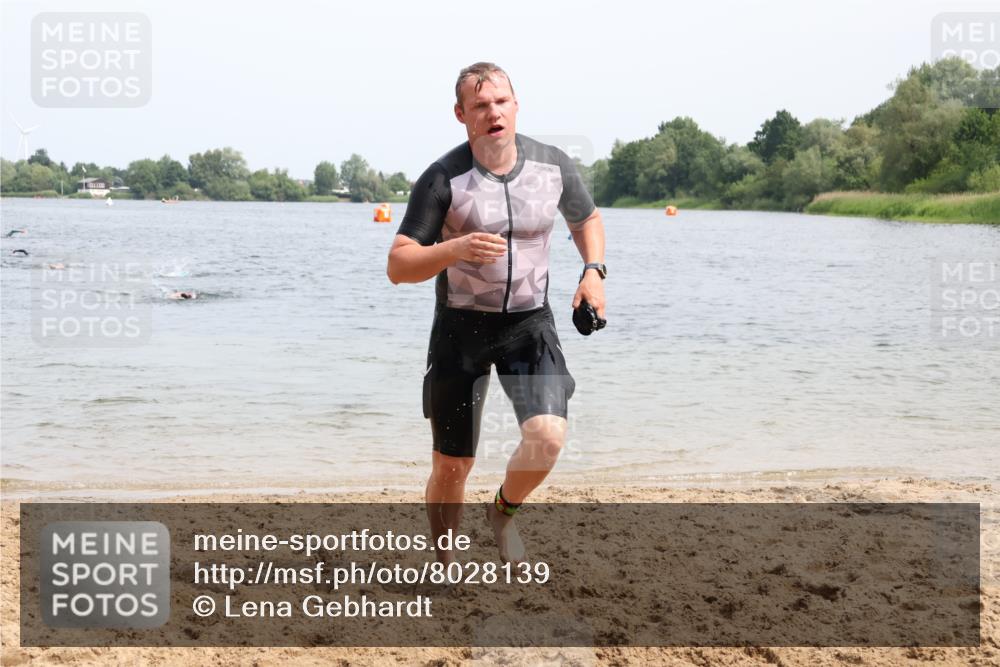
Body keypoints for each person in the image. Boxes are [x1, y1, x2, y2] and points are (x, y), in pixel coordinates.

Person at [386, 62, 607, 564]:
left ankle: (503, 512)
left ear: (516, 104)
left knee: (548, 437)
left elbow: (586, 217)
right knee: (451, 466)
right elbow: (399, 265)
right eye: (481, 105)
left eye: (501, 102)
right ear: (461, 114)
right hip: (460, 330)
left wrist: (593, 270)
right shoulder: (443, 178)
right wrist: (454, 247)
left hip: (528, 325)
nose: (493, 113)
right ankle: (444, 559)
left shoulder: (553, 166)